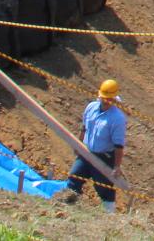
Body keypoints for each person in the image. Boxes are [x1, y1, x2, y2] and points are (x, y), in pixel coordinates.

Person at [64, 78, 127, 213]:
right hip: (86, 153)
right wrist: (78, 144)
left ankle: (109, 215)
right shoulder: (91, 108)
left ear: (114, 98)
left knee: (104, 189)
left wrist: (116, 166)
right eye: (104, 98)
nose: (105, 101)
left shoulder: (117, 118)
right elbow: (84, 128)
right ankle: (68, 209)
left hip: (104, 157)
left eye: (108, 98)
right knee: (74, 178)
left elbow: (119, 145)